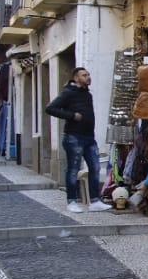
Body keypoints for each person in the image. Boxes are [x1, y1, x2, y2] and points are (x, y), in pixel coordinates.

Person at [46, 67, 111, 213]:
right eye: (84, 75)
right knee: (73, 169)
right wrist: (71, 115)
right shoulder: (68, 93)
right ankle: (72, 201)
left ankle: (94, 201)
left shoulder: (87, 94)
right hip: (73, 137)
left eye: (88, 74)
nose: (88, 77)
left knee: (94, 167)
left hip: (89, 137)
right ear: (76, 78)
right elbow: (50, 108)